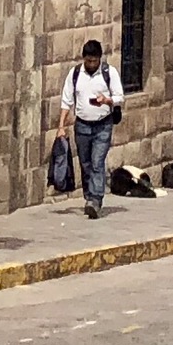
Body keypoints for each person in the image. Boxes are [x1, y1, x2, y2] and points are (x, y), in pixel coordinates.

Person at [60, 40, 125, 220]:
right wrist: (61, 126)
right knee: (85, 163)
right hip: (82, 125)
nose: (91, 64)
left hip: (103, 125)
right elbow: (66, 101)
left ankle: (96, 199)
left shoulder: (109, 73)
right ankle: (89, 197)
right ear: (84, 59)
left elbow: (120, 97)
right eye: (88, 61)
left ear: (99, 59)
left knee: (97, 162)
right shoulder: (75, 74)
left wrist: (107, 100)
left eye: (94, 61)